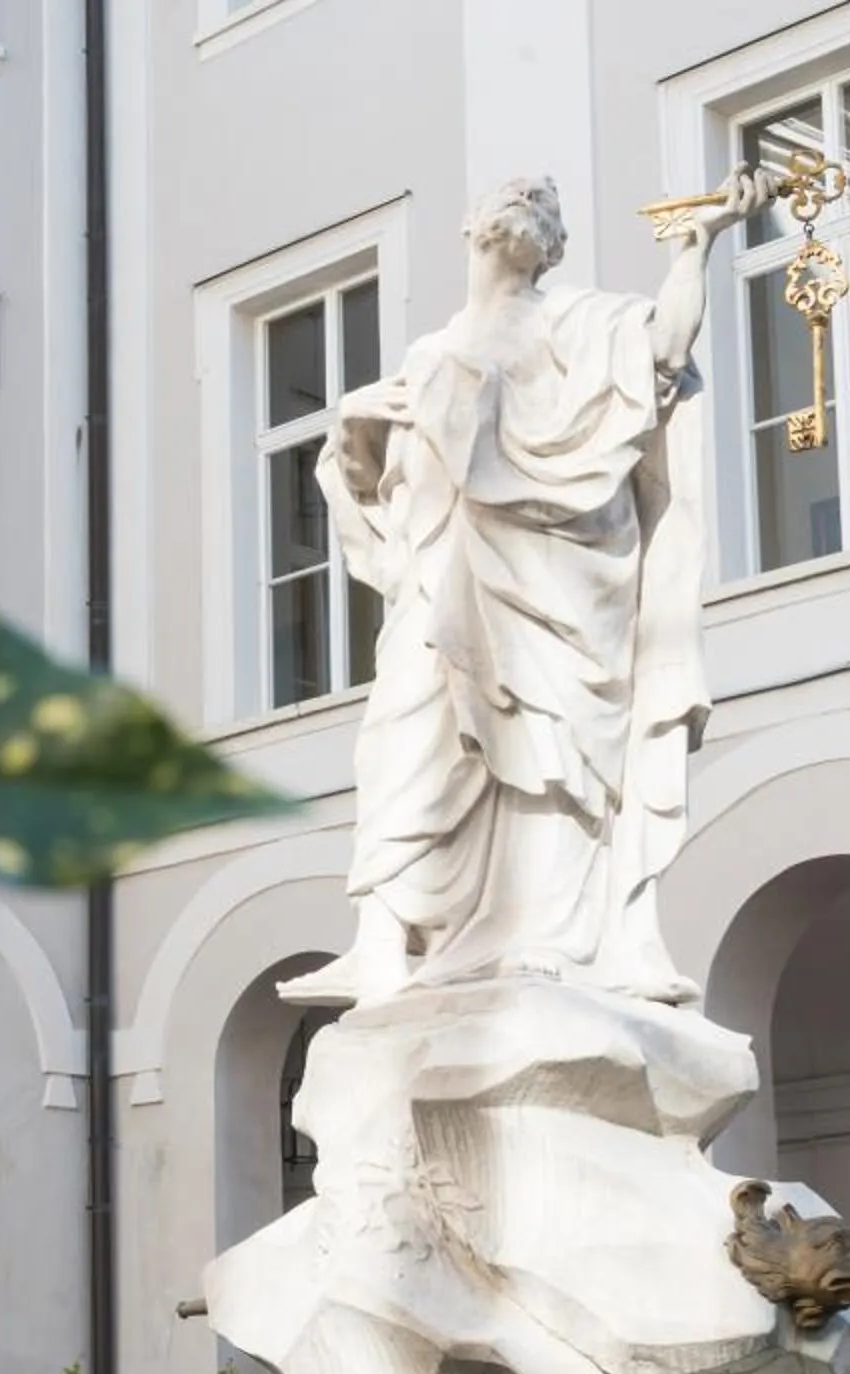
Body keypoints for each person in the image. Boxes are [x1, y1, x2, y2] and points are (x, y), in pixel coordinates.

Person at [282, 169, 773, 1008]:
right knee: (400, 745)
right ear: (471, 226)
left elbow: (663, 352)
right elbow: (382, 490)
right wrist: (356, 428)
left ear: (556, 249)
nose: (528, 203)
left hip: (561, 590)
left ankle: (543, 939)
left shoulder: (584, 323)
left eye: (545, 206)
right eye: (513, 198)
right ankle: (381, 941)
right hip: (444, 592)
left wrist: (695, 249)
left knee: (555, 762)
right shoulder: (429, 356)